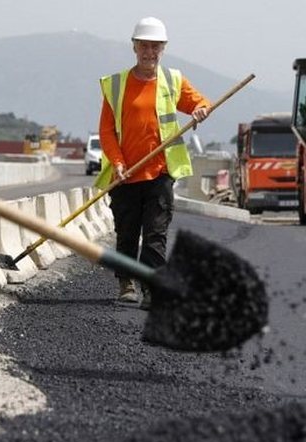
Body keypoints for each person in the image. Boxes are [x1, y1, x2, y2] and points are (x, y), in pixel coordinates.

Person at [94, 16, 211, 310]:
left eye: (155, 47)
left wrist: (199, 111)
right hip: (126, 175)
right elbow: (107, 131)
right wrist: (118, 163)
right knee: (127, 232)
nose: (149, 52)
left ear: (163, 49)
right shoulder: (116, 84)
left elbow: (201, 103)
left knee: (156, 234)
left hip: (159, 172)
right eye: (144, 46)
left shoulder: (173, 81)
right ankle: (126, 282)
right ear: (134, 47)